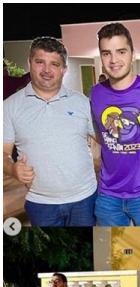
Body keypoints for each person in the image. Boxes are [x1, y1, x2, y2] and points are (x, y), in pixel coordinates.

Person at [3, 37, 97, 226]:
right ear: (30, 62)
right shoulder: (9, 106)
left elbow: (104, 140)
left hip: (85, 199)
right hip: (41, 204)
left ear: (64, 69)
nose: (47, 70)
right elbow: (3, 153)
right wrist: (12, 169)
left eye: (54, 64)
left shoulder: (82, 102)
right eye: (40, 62)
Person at [91, 22, 140, 226]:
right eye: (106, 53)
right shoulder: (96, 93)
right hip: (108, 194)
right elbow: (100, 136)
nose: (114, 60)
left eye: (121, 51)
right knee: (113, 254)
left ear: (132, 54)